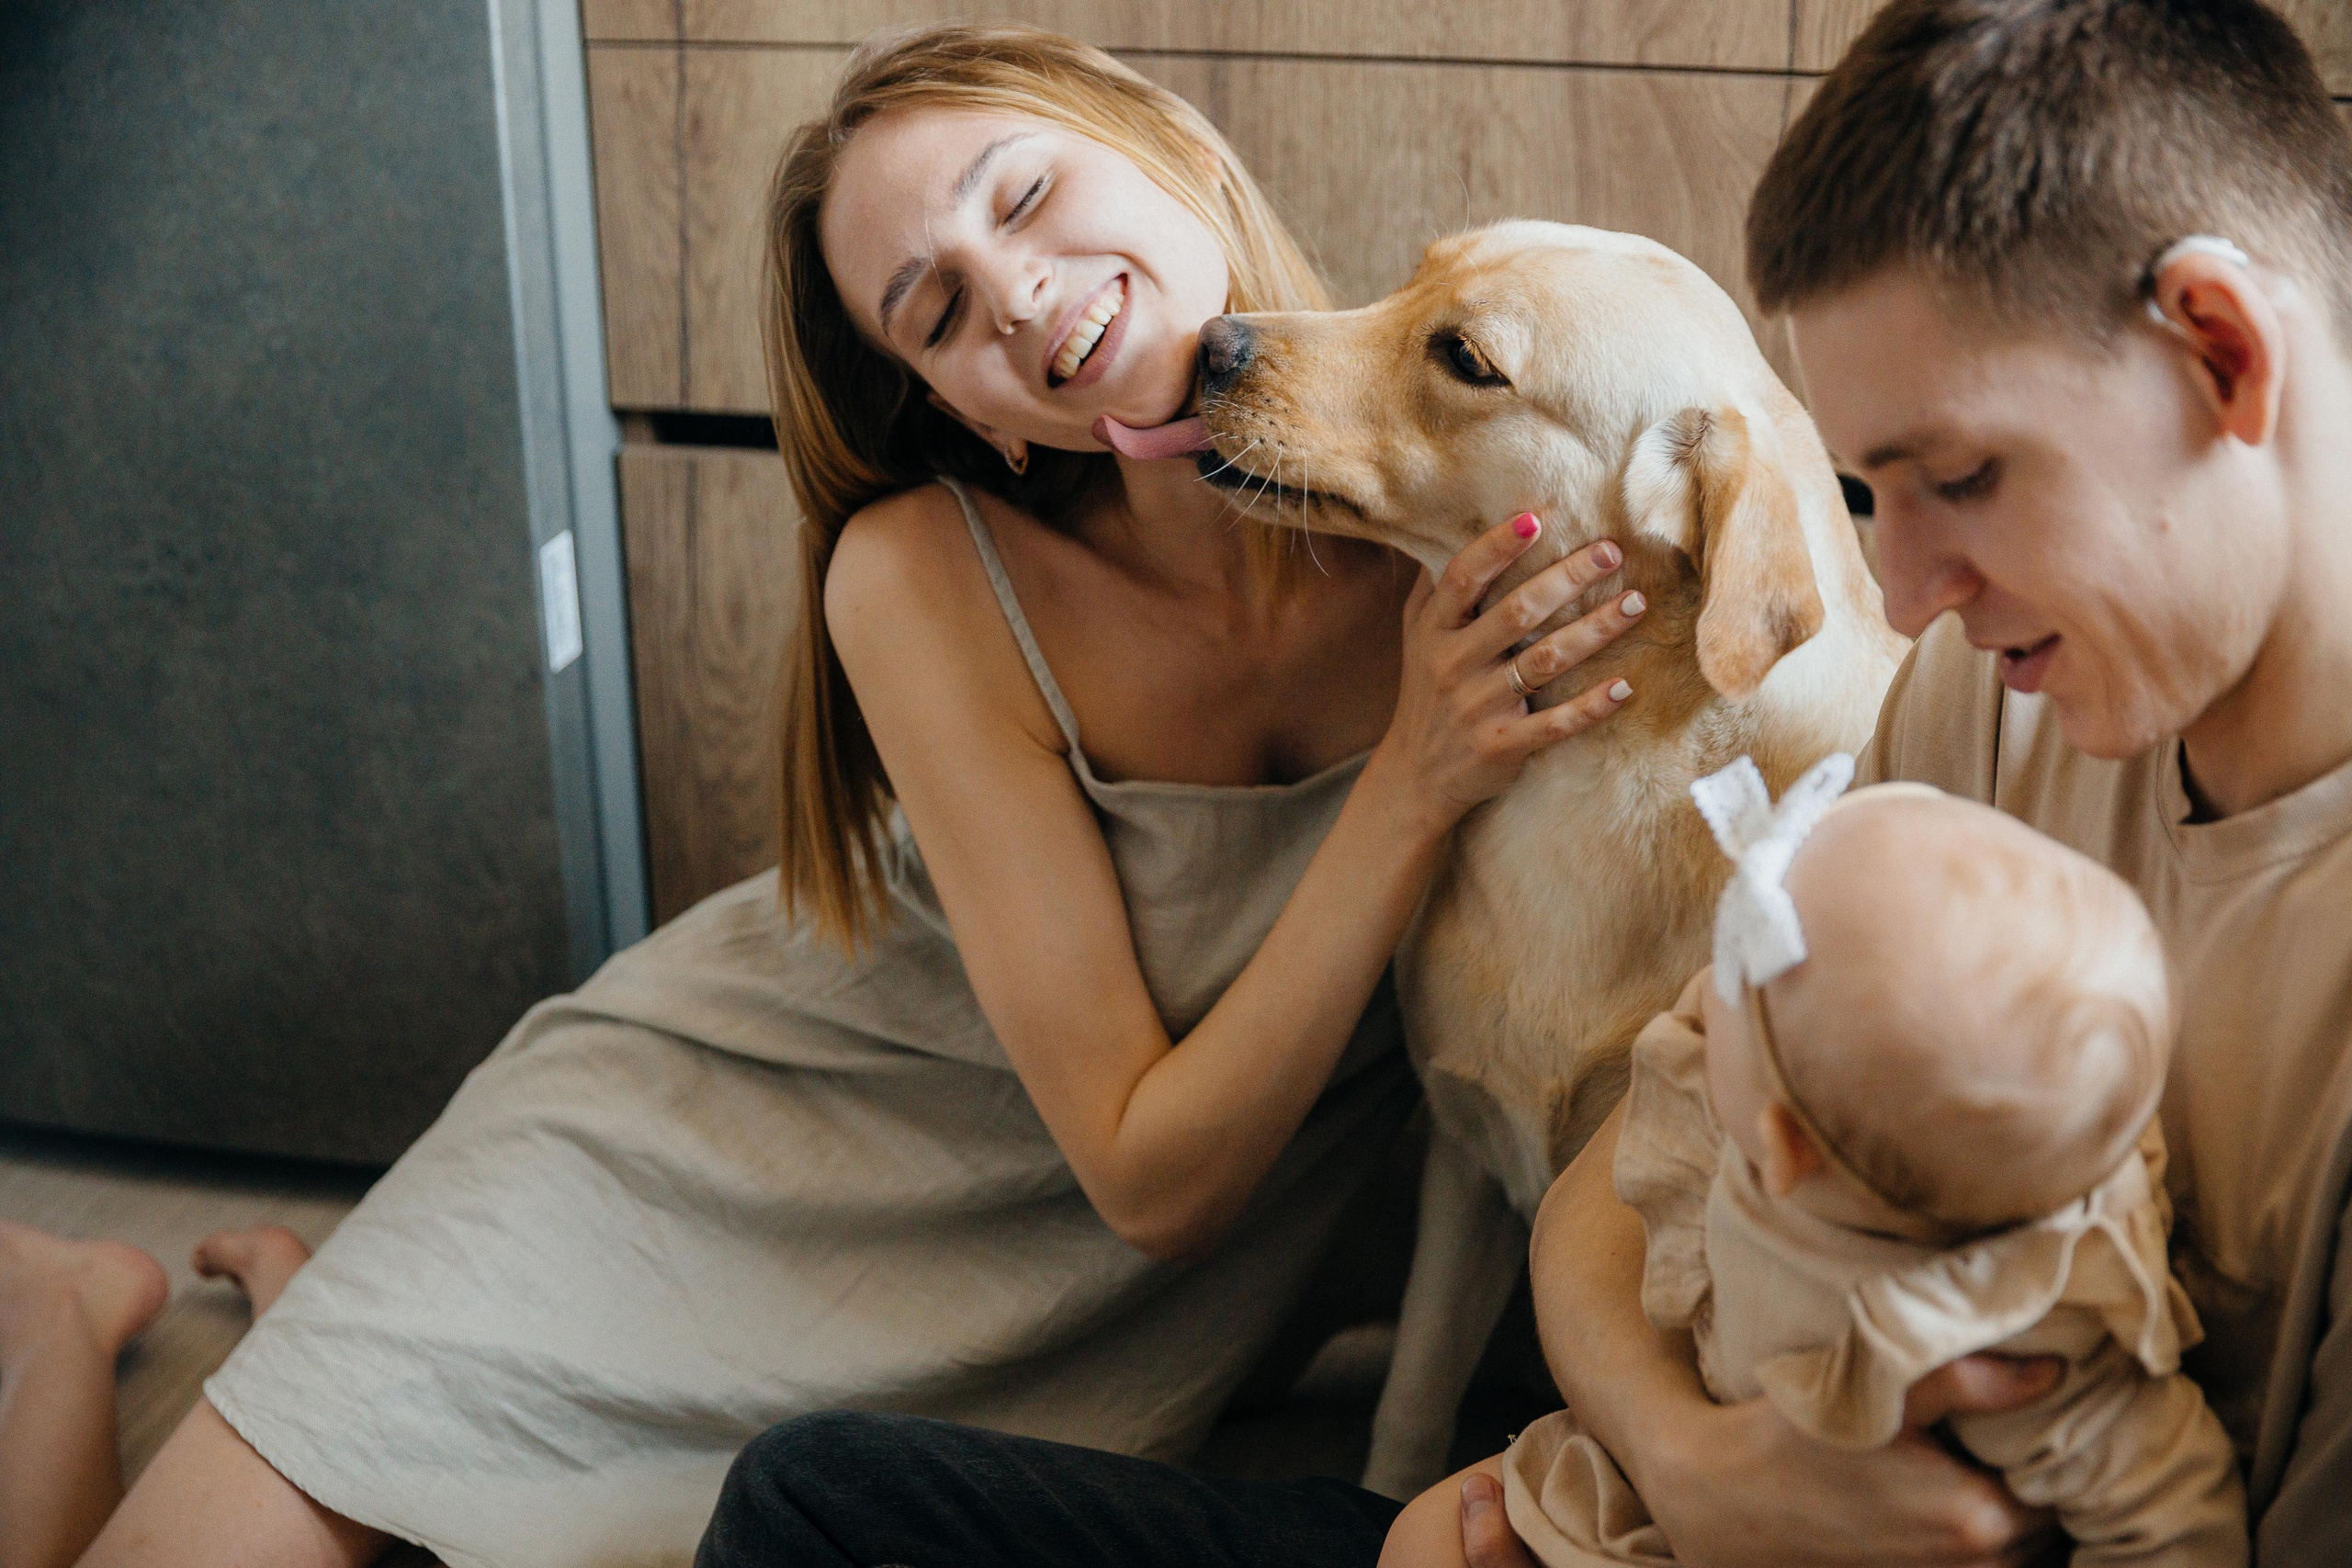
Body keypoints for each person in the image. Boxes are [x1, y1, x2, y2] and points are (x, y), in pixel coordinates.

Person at [696, 3, 2352, 1565]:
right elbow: (1629, 1164)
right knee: (813, 1503)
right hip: (1595, 1483)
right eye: (1874, 491)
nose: (1897, 588)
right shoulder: (1967, 724)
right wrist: (1671, 1460)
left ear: (2223, 351)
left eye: (1965, 480)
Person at [0, 25, 1647, 1568]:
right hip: (707, 1161)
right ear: (961, 411)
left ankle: (308, 1344)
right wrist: (1415, 779)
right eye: (933, 314)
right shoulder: (921, 571)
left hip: (1076, 1300)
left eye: (1024, 194)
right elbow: (1154, 1177)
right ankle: (75, 1310)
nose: (1008, 292)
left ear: (1171, 148)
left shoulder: (1472, 443)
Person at [1396, 764, 2242, 1568]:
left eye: (1732, 962)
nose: (1702, 981)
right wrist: (1676, 1455)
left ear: (1782, 1145)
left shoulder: (2015, 1334)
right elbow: (1586, 1227)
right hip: (1668, 1488)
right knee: (1427, 1536)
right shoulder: (1831, 1098)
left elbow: (2171, 1511)